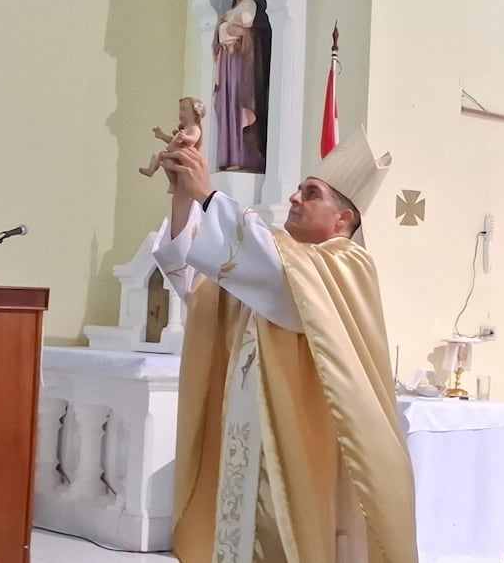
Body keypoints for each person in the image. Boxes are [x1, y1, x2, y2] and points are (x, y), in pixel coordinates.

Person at [152, 128, 417, 563]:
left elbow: (281, 282)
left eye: (311, 193)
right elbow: (197, 281)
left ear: (342, 220)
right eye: (298, 189)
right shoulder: (275, 261)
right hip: (246, 432)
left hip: (306, 438)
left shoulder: (347, 263)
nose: (294, 198)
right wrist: (183, 194)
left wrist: (207, 194)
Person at [213, 0, 264, 172]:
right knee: (226, 103)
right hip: (227, 58)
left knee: (236, 101)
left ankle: (241, 154)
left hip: (237, 58)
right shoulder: (237, 7)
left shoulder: (249, 4)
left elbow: (246, 24)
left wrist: (228, 22)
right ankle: (228, 154)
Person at [224, 0, 272, 162]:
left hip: (248, 65)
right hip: (229, 63)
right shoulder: (234, 8)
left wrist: (241, 33)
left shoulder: (254, 7)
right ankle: (233, 152)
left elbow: (257, 34)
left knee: (247, 105)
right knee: (230, 106)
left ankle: (249, 153)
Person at [140, 97, 206, 193]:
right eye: (180, 110)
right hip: (175, 153)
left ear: (195, 113)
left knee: (165, 160)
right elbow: (173, 141)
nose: (180, 113)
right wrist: (162, 135)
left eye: (183, 109)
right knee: (158, 156)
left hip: (183, 155)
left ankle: (173, 183)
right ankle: (151, 170)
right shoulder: (185, 129)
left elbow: (194, 139)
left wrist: (185, 137)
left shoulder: (194, 128)